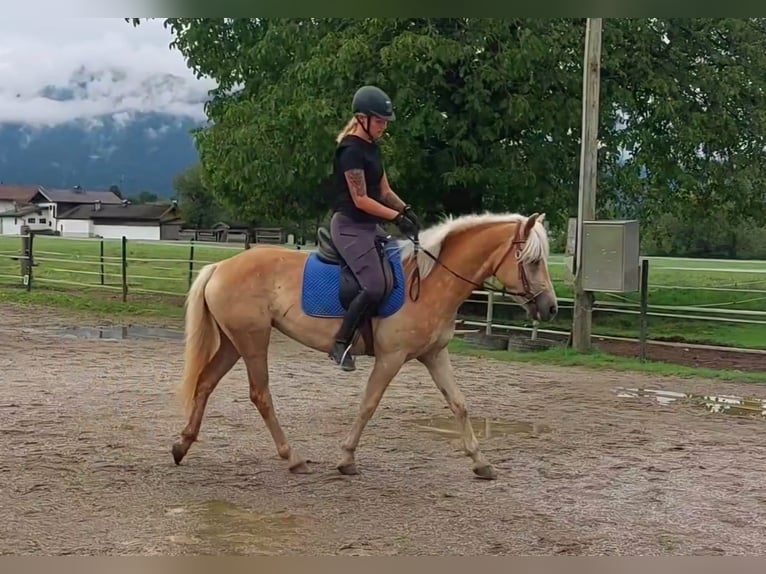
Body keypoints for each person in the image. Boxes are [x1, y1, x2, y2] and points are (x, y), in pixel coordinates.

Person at [327, 84, 421, 371]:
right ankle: (341, 343)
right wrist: (395, 218)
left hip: (369, 226)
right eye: (379, 121)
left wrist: (406, 210)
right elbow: (361, 199)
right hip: (349, 226)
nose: (383, 126)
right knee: (375, 285)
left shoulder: (372, 148)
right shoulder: (350, 152)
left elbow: (383, 188)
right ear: (361, 119)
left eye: (384, 121)